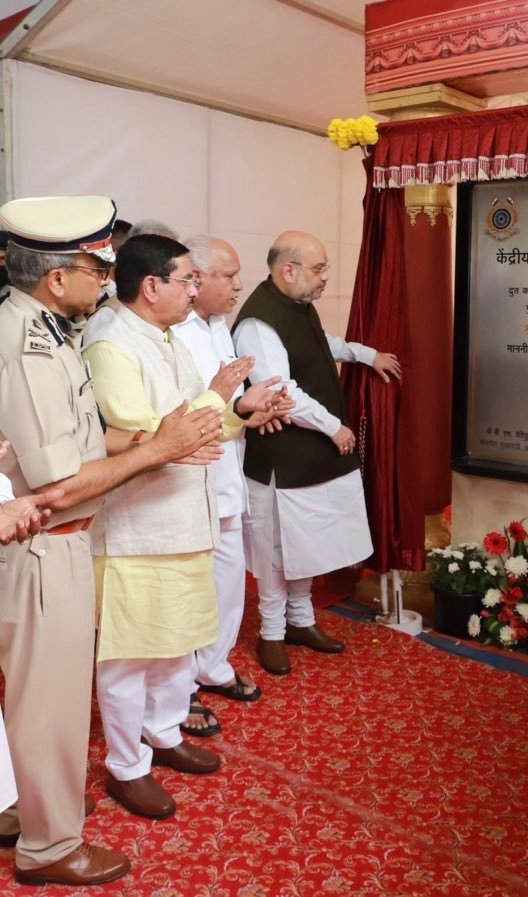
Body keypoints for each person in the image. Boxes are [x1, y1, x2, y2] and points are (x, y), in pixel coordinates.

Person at [0, 195, 220, 885]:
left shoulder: (45, 326)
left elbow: (81, 440)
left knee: (44, 700)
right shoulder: (30, 340)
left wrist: (155, 439)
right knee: (49, 704)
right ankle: (50, 844)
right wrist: (161, 449)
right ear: (57, 276)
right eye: (98, 265)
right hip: (46, 541)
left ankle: (32, 808)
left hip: (56, 535)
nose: (107, 276)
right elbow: (61, 481)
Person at [82, 234, 281, 820]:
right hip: (137, 524)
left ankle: (163, 732)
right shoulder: (112, 342)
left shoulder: (166, 336)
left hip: (182, 514)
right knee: (128, 652)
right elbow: (142, 433)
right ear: (152, 286)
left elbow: (199, 423)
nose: (197, 290)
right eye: (188, 280)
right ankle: (125, 766)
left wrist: (236, 409)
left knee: (174, 642)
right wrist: (215, 400)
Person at [232, 230, 401, 675]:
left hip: (310, 450)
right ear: (288, 270)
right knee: (275, 548)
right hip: (279, 456)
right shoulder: (257, 322)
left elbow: (318, 343)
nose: (325, 277)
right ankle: (271, 630)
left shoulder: (296, 305)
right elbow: (282, 392)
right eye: (319, 268)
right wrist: (335, 427)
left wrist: (365, 354)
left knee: (307, 542)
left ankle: (301, 620)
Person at [172, 235, 294, 734]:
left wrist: (255, 409)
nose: (238, 285)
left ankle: (213, 666)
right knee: (186, 590)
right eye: (228, 276)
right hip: (186, 478)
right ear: (195, 280)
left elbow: (231, 400)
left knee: (226, 580)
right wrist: (240, 408)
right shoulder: (172, 332)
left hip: (227, 472)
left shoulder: (219, 326)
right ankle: (177, 694)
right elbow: (180, 410)